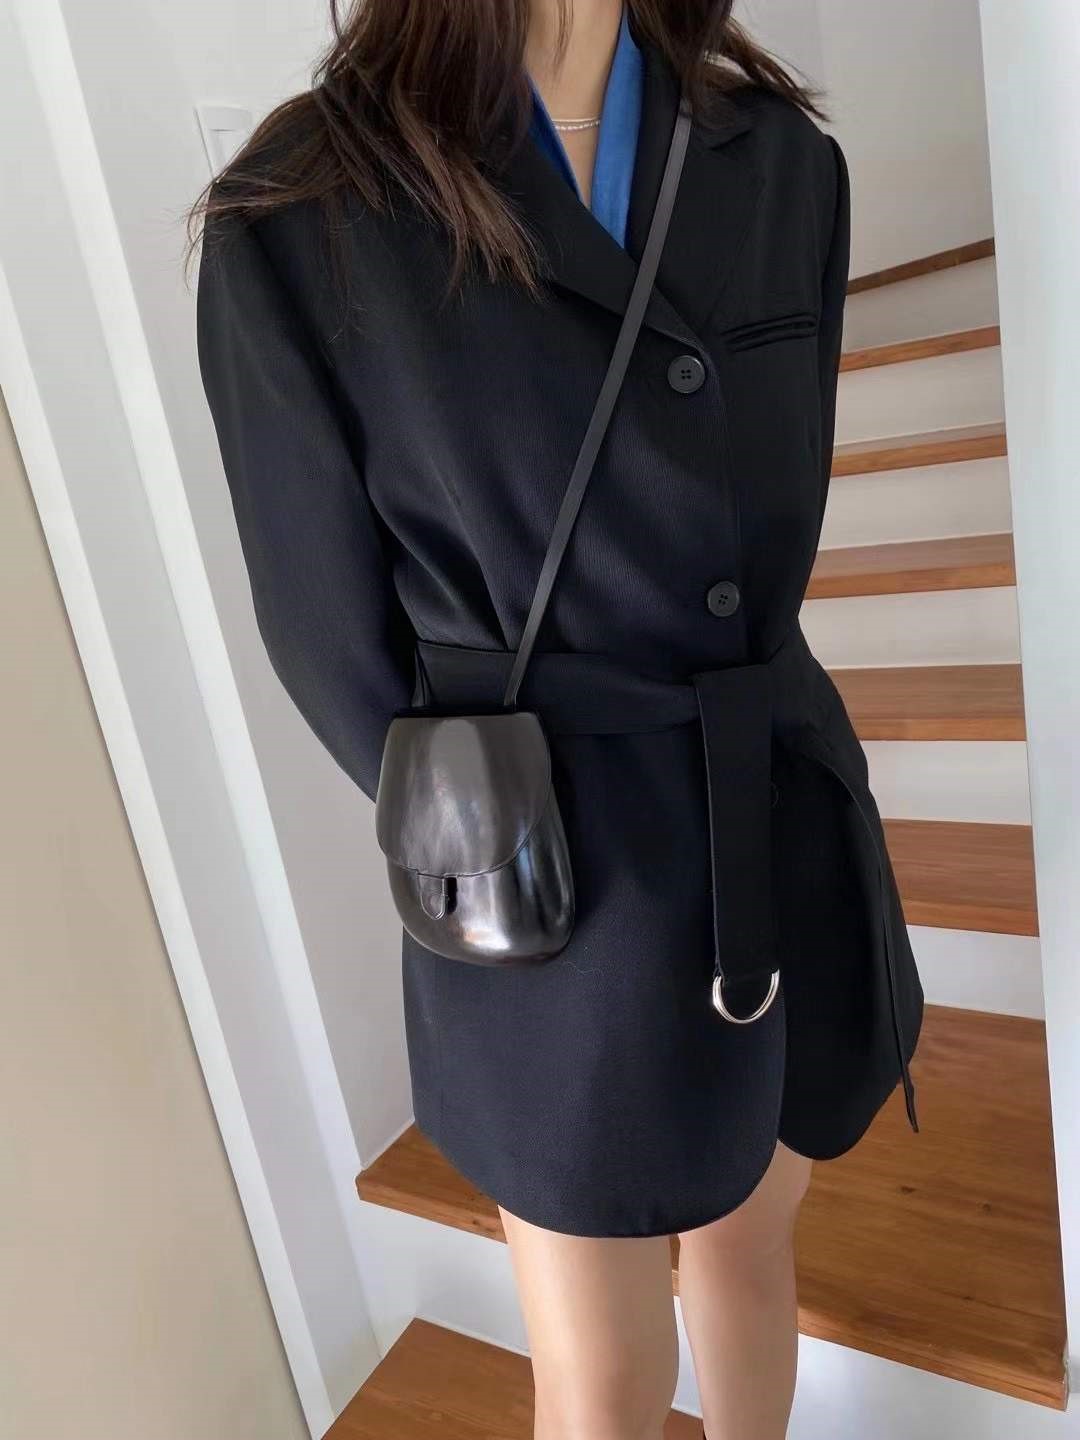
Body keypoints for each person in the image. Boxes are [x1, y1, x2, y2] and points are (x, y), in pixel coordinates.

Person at [192, 2, 924, 1436]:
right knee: (596, 1373)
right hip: (551, 875)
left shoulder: (779, 159)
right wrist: (492, 816)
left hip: (775, 804)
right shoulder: (304, 212)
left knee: (751, 1248)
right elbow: (329, 638)